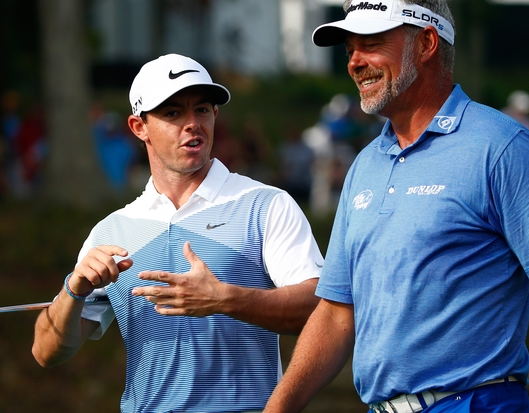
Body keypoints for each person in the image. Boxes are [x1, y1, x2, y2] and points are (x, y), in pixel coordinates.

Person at [263, 0, 529, 413]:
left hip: (475, 402)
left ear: (426, 43)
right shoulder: (365, 165)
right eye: (349, 49)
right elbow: (335, 313)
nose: (354, 62)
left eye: (370, 42)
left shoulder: (500, 147)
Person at [32, 53, 323, 413]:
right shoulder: (111, 231)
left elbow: (320, 308)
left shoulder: (266, 205)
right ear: (139, 127)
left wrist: (224, 299)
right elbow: (46, 352)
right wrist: (72, 290)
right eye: (173, 114)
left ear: (215, 115)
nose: (192, 124)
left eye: (202, 109)